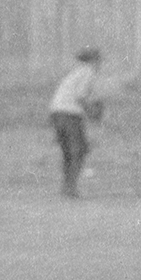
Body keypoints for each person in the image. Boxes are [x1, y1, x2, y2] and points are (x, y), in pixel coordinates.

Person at [48, 46, 103, 198]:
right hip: (69, 114)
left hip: (56, 112)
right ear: (93, 61)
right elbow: (80, 95)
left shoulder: (76, 72)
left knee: (67, 151)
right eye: (98, 61)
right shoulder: (89, 72)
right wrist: (92, 111)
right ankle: (71, 188)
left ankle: (66, 186)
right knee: (79, 150)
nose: (100, 64)